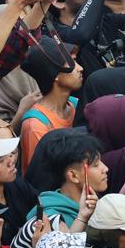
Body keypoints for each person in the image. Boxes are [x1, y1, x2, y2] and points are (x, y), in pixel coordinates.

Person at [18, 38, 83, 170]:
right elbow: (38, 178)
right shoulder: (36, 126)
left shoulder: (76, 105)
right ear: (54, 74)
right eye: (71, 63)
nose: (80, 68)